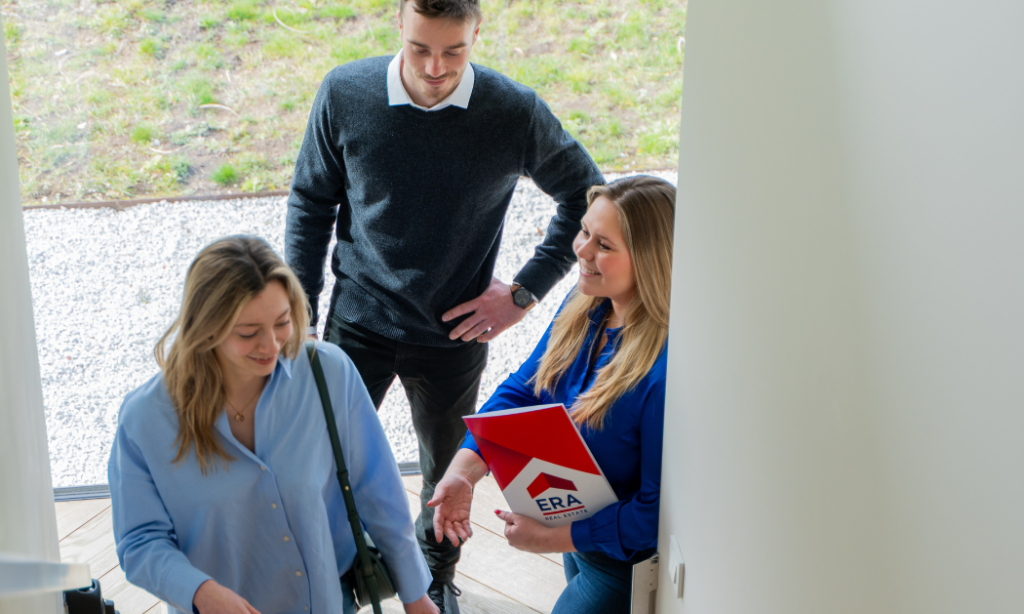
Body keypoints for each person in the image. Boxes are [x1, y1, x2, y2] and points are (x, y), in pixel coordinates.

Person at [284, 0, 604, 609]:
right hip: (358, 320)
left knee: (445, 472)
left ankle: (434, 576)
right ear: (397, 28)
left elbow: (588, 197)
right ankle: (338, 576)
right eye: (420, 48)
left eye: (454, 51)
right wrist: (299, 316)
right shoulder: (345, 92)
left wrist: (524, 292)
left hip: (454, 335)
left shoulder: (513, 111)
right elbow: (310, 202)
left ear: (476, 33)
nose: (435, 68)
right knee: (324, 463)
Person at [107, 236, 437, 614]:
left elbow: (377, 492)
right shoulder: (146, 418)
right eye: (248, 333)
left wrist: (416, 596)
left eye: (282, 323)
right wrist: (199, 591)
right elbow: (140, 540)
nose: (271, 346)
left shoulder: (328, 373)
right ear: (206, 328)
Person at [429, 175, 674, 613]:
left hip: (622, 565)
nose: (581, 250)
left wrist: (548, 537)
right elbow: (523, 391)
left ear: (649, 258)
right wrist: (464, 472)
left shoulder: (664, 370)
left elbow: (653, 515)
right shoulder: (584, 308)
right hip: (577, 540)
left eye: (604, 244)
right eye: (584, 231)